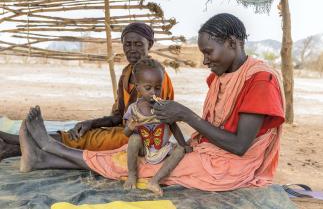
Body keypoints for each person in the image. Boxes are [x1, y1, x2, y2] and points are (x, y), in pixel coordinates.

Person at [19, 13, 285, 192]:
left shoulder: (260, 80)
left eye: (208, 52)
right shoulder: (224, 76)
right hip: (212, 152)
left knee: (142, 164)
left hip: (231, 167)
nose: (205, 61)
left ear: (233, 43)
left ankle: (49, 146)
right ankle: (42, 158)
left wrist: (185, 115)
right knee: (134, 153)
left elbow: (239, 146)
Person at [0, 22, 174, 161]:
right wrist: (91, 122)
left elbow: (156, 121)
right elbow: (118, 115)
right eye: (127, 44)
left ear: (149, 44)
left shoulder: (157, 76)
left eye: (138, 44)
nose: (132, 49)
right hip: (127, 130)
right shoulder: (127, 73)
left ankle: (13, 144)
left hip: (144, 137)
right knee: (84, 133)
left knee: (87, 140)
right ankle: (10, 147)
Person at [122, 57, 192, 196]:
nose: (153, 92)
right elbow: (126, 134)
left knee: (179, 151)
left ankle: (155, 181)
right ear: (138, 88)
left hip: (163, 148)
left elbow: (174, 127)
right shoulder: (133, 109)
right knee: (135, 139)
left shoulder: (164, 107)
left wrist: (183, 144)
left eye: (158, 87)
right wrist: (130, 128)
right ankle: (132, 174)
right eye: (148, 88)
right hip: (144, 148)